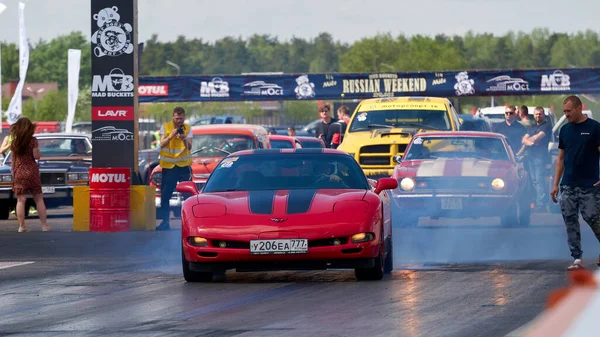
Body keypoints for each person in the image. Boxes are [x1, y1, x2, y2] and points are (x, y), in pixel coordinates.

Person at [551, 95, 600, 271]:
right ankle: (577, 258)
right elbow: (560, 159)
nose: (566, 115)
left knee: (593, 218)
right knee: (570, 220)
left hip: (590, 185)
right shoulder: (564, 130)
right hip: (568, 184)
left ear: (579, 108)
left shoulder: (594, 128)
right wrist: (556, 184)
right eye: (564, 112)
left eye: (569, 111)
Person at [0, 117, 51, 232]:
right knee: (38, 199)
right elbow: (36, 156)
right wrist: (39, 152)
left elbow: (6, 155)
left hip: (19, 172)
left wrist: (11, 145)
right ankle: (44, 226)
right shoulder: (33, 140)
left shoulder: (12, 140)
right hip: (32, 171)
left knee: (20, 200)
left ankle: (22, 226)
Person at [157, 107, 192, 231]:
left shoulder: (187, 128)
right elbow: (161, 144)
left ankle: (191, 222)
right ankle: (165, 221)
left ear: (184, 117)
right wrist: (171, 136)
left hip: (183, 166)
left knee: (188, 195)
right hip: (169, 166)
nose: (179, 121)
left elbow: (190, 146)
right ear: (173, 116)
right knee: (165, 195)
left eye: (181, 119)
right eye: (177, 119)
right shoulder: (165, 127)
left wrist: (183, 137)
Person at [522, 107, 552, 212]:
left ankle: (542, 204)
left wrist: (529, 141)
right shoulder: (532, 127)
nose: (538, 116)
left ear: (543, 115)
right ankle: (538, 201)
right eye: (536, 114)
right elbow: (524, 139)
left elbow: (537, 137)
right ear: (533, 115)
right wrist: (529, 142)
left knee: (539, 180)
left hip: (540, 156)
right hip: (530, 156)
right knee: (534, 180)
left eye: (540, 114)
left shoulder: (547, 126)